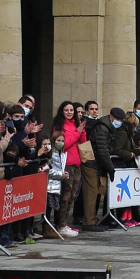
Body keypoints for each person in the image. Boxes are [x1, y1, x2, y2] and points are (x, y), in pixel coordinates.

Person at [81, 107, 124, 231]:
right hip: (91, 162)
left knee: (95, 192)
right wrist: (110, 168)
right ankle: (89, 222)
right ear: (111, 117)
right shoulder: (103, 128)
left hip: (96, 163)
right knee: (91, 193)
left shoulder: (108, 127)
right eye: (117, 119)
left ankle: (92, 219)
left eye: (121, 120)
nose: (119, 121)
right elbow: (102, 151)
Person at [52, 100, 88, 237]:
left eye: (71, 110)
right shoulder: (59, 126)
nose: (69, 112)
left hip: (77, 163)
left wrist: (82, 131)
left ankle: (64, 223)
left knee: (72, 195)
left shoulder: (76, 124)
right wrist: (77, 133)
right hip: (66, 163)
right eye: (66, 110)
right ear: (62, 111)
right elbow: (64, 144)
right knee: (65, 195)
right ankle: (60, 224)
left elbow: (83, 144)